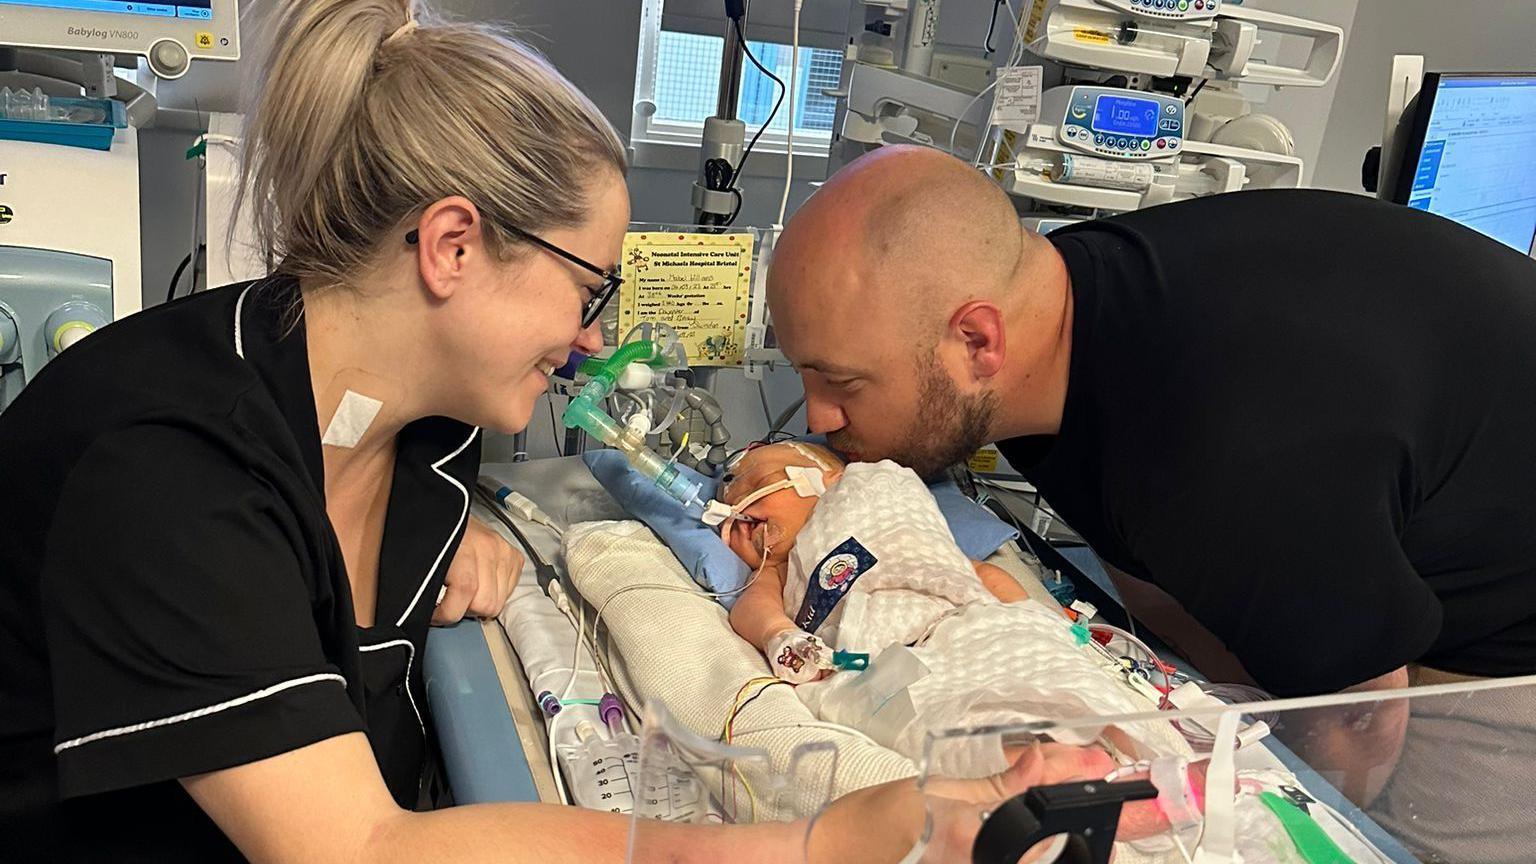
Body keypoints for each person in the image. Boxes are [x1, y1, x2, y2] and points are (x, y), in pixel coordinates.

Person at [0, 4, 1112, 861]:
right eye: (589, 290)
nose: (591, 342)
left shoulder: (423, 427)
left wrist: (443, 538)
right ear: (452, 248)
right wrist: (824, 840)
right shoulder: (169, 468)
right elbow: (361, 846)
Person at [764, 145, 1536, 823]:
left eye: (841, 383)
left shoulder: (1223, 455)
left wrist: (1244, 815)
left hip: (1506, 613)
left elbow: (1361, 722)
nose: (819, 416)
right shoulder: (1055, 316)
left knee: (1401, 826)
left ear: (976, 340)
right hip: (1396, 476)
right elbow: (1156, 581)